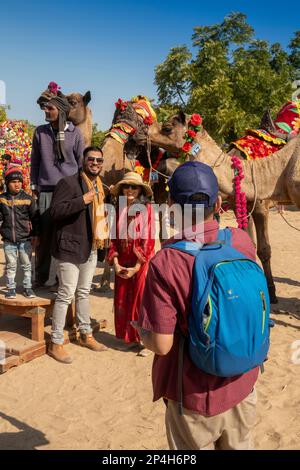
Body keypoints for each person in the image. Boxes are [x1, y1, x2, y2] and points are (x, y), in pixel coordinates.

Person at [134, 161, 259, 450]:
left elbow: (162, 345)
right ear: (218, 202)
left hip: (194, 395)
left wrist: (142, 331)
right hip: (244, 383)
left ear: (171, 205)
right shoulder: (240, 240)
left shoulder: (166, 262)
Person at [48, 146, 108, 364]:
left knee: (83, 292)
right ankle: (56, 342)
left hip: (91, 246)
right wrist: (82, 201)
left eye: (99, 160)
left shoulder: (100, 186)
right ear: (83, 161)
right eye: (91, 159)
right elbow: (54, 212)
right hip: (70, 248)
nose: (95, 163)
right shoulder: (68, 183)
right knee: (66, 294)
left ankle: (85, 334)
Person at [30, 82, 85, 287]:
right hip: (45, 190)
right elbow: (35, 161)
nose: (46, 110)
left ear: (61, 111)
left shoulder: (75, 134)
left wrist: (80, 190)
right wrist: (34, 187)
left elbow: (80, 163)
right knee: (44, 235)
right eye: (45, 107)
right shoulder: (40, 132)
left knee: (65, 235)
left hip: (69, 192)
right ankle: (42, 276)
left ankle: (64, 280)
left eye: (50, 108)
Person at [108, 172, 155, 353]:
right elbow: (113, 238)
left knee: (141, 300)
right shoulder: (118, 209)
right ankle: (132, 338)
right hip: (122, 260)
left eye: (133, 187)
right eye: (126, 186)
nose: (129, 190)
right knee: (123, 299)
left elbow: (148, 239)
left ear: (140, 190)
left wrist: (137, 266)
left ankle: (145, 341)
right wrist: (116, 262)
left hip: (141, 262)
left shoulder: (148, 209)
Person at [0, 167, 38, 299]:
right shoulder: (2, 199)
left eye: (19, 181)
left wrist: (35, 234)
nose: (17, 184)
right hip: (8, 240)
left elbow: (35, 218)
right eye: (13, 181)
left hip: (25, 239)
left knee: (27, 265)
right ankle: (11, 289)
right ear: (7, 183)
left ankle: (28, 288)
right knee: (11, 266)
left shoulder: (28, 199)